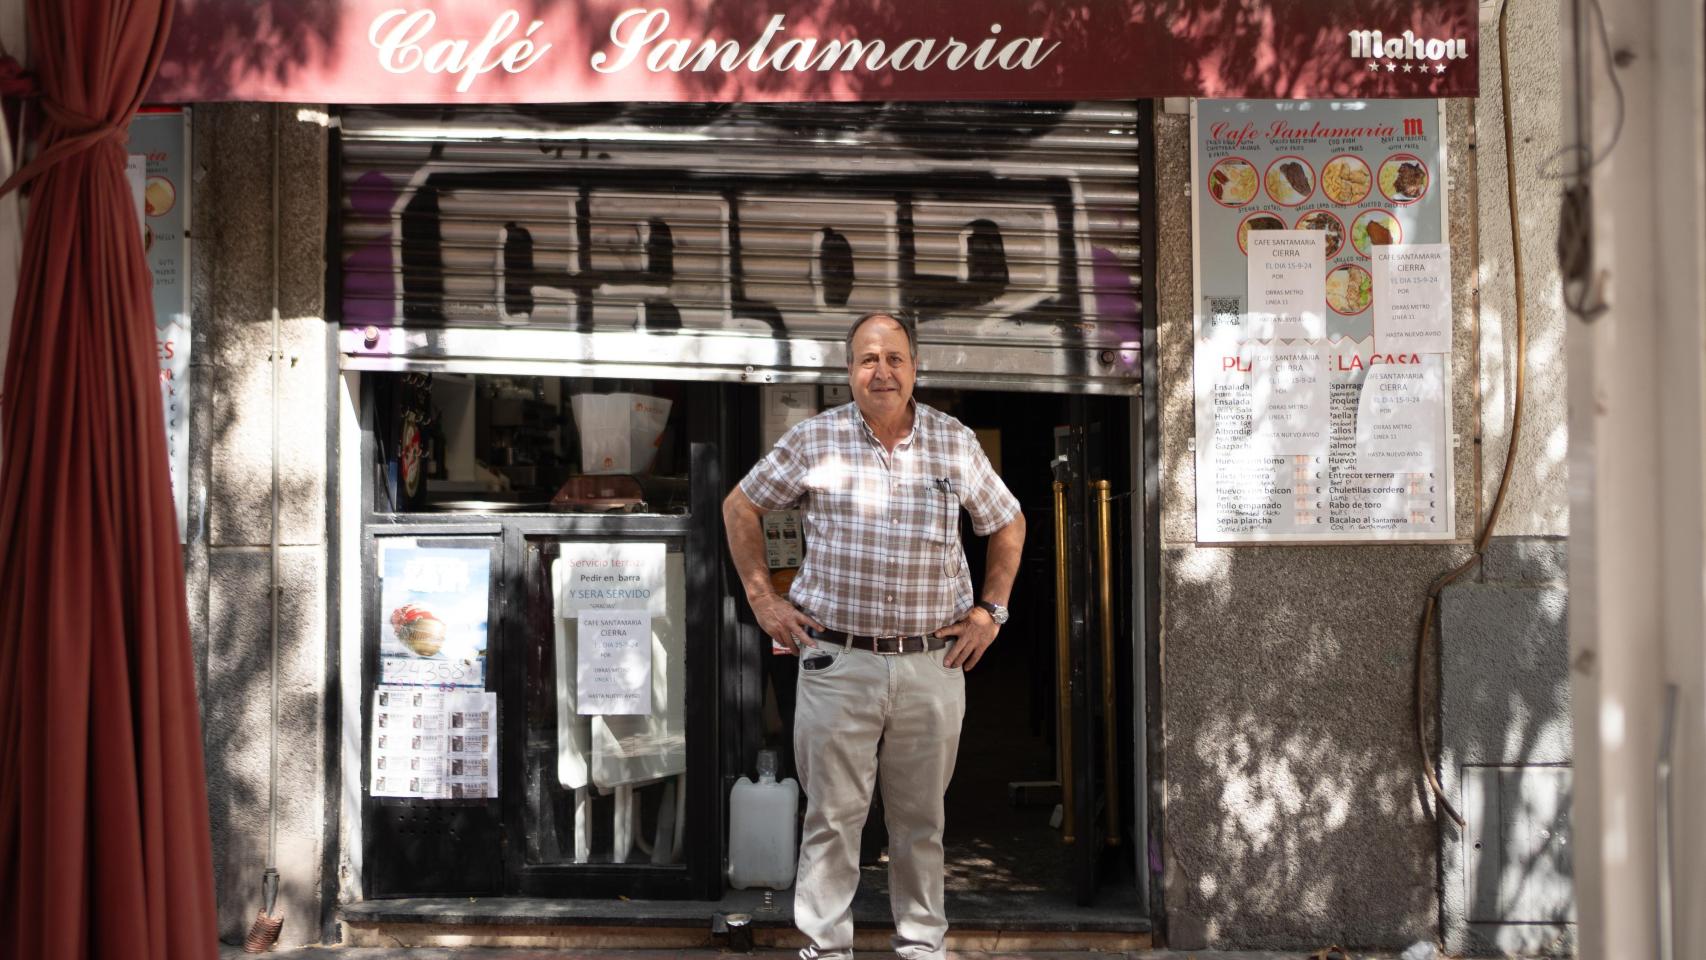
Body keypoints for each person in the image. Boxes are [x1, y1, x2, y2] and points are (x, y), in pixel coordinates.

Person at [723, 312, 1026, 960]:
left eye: (894, 358)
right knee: (832, 821)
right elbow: (739, 505)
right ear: (850, 372)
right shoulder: (815, 439)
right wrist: (762, 599)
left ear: (915, 369)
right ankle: (826, 949)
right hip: (839, 662)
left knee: (921, 824)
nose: (881, 370)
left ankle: (920, 946)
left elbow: (1007, 522)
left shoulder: (953, 442)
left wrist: (989, 612)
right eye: (868, 359)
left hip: (929, 664)